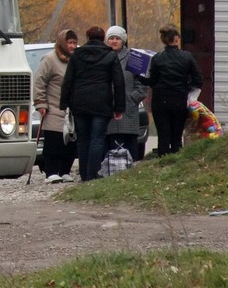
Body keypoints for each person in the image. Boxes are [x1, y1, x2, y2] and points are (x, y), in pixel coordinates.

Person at [59, 25, 125, 181]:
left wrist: (65, 103)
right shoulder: (110, 55)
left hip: (80, 103)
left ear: (87, 38)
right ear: (103, 39)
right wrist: (119, 108)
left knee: (83, 139)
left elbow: (68, 80)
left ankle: (83, 173)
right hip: (102, 103)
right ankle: (92, 173)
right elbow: (119, 83)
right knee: (97, 138)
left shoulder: (76, 55)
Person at [138, 24, 204, 156]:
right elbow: (198, 80)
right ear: (177, 39)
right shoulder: (187, 57)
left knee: (163, 135)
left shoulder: (157, 58)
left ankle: (162, 161)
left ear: (163, 40)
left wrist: (139, 77)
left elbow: (152, 81)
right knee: (176, 134)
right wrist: (186, 88)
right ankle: (175, 160)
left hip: (160, 100)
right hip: (179, 99)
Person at [33, 28, 77, 183]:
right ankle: (51, 171)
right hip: (53, 107)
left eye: (74, 43)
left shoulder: (75, 59)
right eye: (69, 43)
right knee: (54, 141)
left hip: (70, 109)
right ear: (62, 43)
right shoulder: (50, 59)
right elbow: (39, 81)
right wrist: (40, 103)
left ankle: (65, 170)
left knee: (70, 142)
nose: (72, 46)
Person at [104, 25, 145, 163]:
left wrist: (133, 98)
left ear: (123, 41)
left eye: (117, 38)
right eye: (111, 38)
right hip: (108, 108)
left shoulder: (133, 57)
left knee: (129, 143)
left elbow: (142, 83)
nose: (114, 41)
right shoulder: (104, 57)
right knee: (111, 142)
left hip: (129, 108)